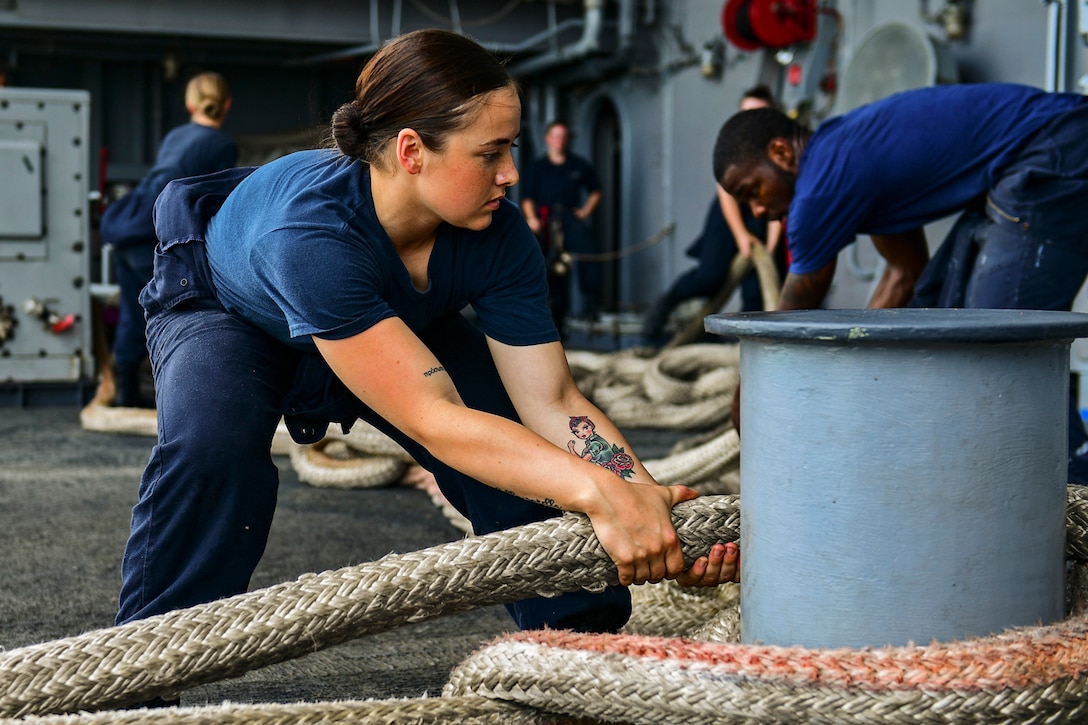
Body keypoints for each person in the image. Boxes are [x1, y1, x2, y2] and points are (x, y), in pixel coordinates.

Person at [116, 29, 737, 642]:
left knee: (514, 448)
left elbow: (554, 403)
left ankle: (576, 643)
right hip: (229, 308)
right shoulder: (310, 238)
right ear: (412, 151)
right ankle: (143, 667)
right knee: (211, 448)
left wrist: (652, 506)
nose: (512, 173)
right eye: (490, 153)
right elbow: (432, 418)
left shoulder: (496, 236)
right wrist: (601, 494)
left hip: (382, 311)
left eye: (512, 148)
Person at [712, 81, 1088, 482]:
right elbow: (905, 275)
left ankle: (1074, 488)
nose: (757, 210)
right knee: (944, 311)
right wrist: (862, 383)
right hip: (1038, 151)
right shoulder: (845, 160)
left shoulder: (820, 189)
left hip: (1054, 148)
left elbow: (784, 327)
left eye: (752, 191)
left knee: (996, 346)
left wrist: (745, 399)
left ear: (781, 152)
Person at [101, 71, 237, 408]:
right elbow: (212, 201)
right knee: (179, 315)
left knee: (135, 314)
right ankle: (177, 401)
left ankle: (126, 395)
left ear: (190, 105)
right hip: (158, 234)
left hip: (131, 227)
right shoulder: (222, 145)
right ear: (227, 105)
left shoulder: (176, 135)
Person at [642, 85, 785, 346]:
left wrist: (771, 248)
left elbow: (781, 201)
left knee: (756, 292)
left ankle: (752, 352)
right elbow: (726, 192)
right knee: (710, 277)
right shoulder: (735, 143)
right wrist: (741, 235)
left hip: (765, 211)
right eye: (746, 112)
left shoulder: (778, 148)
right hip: (730, 209)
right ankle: (666, 305)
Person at [520, 120, 603, 334]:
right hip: (545, 219)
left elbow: (596, 191)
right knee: (549, 267)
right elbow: (528, 198)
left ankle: (590, 306)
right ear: (548, 139)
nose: (559, 141)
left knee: (589, 253)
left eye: (563, 136)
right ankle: (553, 320)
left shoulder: (578, 164)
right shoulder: (539, 167)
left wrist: (584, 212)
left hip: (569, 216)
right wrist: (532, 219)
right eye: (555, 136)